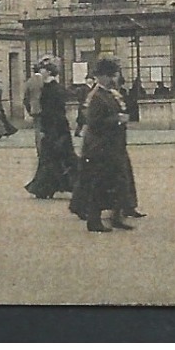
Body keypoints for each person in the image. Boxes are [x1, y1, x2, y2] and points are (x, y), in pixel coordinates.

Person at [69, 59, 137, 232]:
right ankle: (94, 220)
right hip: (99, 147)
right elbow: (94, 122)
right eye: (109, 75)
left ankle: (116, 216)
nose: (112, 78)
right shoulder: (96, 96)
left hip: (113, 146)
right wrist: (117, 120)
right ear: (101, 77)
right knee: (99, 184)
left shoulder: (110, 94)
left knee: (118, 182)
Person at [25, 61, 77, 200]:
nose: (40, 72)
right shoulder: (49, 87)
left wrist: (47, 128)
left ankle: (47, 186)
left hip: (55, 128)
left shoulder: (53, 89)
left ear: (48, 72)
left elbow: (54, 111)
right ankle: (47, 186)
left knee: (55, 158)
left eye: (42, 70)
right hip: (55, 128)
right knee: (53, 158)